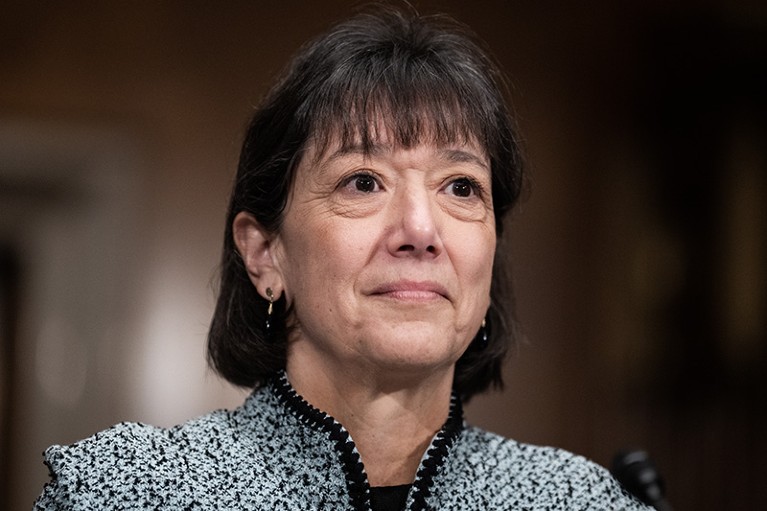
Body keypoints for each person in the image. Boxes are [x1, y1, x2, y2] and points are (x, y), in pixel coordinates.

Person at [35, 7, 650, 511]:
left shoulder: (584, 501)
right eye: (362, 181)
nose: (419, 229)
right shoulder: (123, 495)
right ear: (264, 254)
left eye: (461, 187)